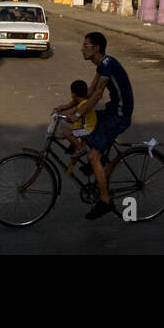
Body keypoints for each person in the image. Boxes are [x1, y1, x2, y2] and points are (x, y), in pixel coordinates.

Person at [68, 32, 133, 220]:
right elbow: (88, 92)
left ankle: (105, 200)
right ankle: (100, 165)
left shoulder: (107, 65)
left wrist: (77, 114)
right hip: (113, 110)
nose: (82, 48)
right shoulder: (101, 64)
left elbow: (97, 96)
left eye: (85, 45)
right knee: (87, 126)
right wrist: (67, 107)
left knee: (92, 155)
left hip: (119, 115)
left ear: (96, 48)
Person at [54, 79, 98, 156]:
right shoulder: (83, 102)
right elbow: (72, 110)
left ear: (73, 94)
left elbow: (72, 113)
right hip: (86, 125)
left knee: (66, 133)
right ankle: (76, 144)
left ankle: (81, 149)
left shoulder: (82, 106)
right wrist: (60, 112)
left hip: (87, 128)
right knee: (68, 127)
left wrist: (63, 114)